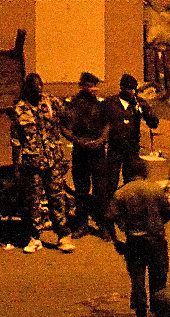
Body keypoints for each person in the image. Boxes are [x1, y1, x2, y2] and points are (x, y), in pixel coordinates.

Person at [11, 73, 76, 254]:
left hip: (53, 160)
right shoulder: (19, 109)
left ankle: (63, 236)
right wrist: (16, 166)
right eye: (35, 90)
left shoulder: (50, 101)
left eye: (41, 89)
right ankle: (34, 237)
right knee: (33, 201)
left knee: (57, 198)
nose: (39, 93)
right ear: (28, 89)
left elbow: (68, 115)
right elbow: (16, 141)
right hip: (32, 164)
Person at [112, 159, 170, 317]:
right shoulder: (155, 190)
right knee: (159, 281)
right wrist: (156, 225)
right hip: (156, 241)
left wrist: (117, 239)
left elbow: (110, 217)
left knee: (137, 281)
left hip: (134, 242)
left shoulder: (121, 193)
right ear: (145, 171)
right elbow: (168, 213)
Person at [97, 74, 160, 240]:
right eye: (128, 89)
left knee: (131, 186)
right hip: (114, 151)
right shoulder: (110, 104)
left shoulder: (139, 104)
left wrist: (143, 111)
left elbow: (154, 123)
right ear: (121, 88)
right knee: (110, 186)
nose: (131, 92)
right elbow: (99, 122)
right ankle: (106, 225)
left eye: (133, 89)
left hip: (132, 152)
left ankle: (130, 221)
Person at [62, 72, 109, 239]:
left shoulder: (101, 105)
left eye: (95, 86)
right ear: (82, 86)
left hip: (97, 152)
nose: (94, 89)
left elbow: (107, 126)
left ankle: (103, 225)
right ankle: (82, 224)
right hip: (80, 152)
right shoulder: (73, 105)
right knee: (81, 190)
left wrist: (101, 140)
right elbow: (65, 128)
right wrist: (78, 141)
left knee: (100, 190)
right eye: (90, 86)